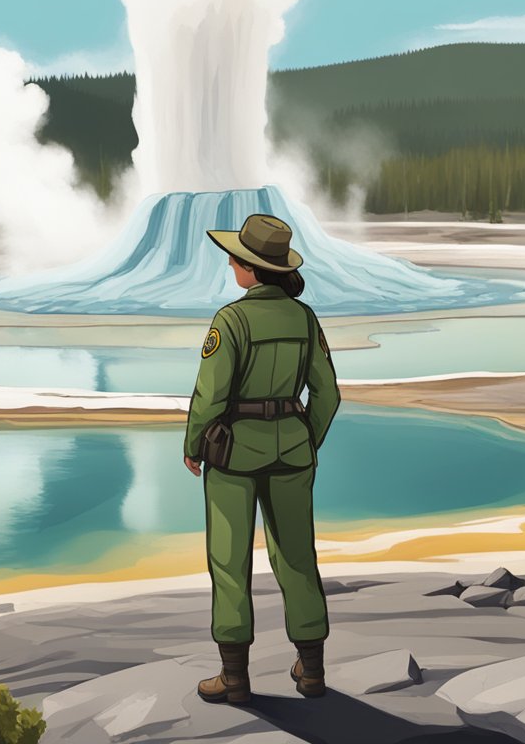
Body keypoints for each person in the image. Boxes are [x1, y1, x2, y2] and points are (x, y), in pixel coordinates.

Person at [184, 213, 341, 704]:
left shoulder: (230, 320)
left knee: (229, 562)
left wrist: (193, 445)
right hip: (292, 450)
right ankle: (311, 670)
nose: (231, 263)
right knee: (297, 557)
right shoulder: (305, 317)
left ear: (250, 269)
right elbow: (328, 394)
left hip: (233, 456)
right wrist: (303, 438)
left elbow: (210, 396)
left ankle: (234, 678)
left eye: (235, 258)